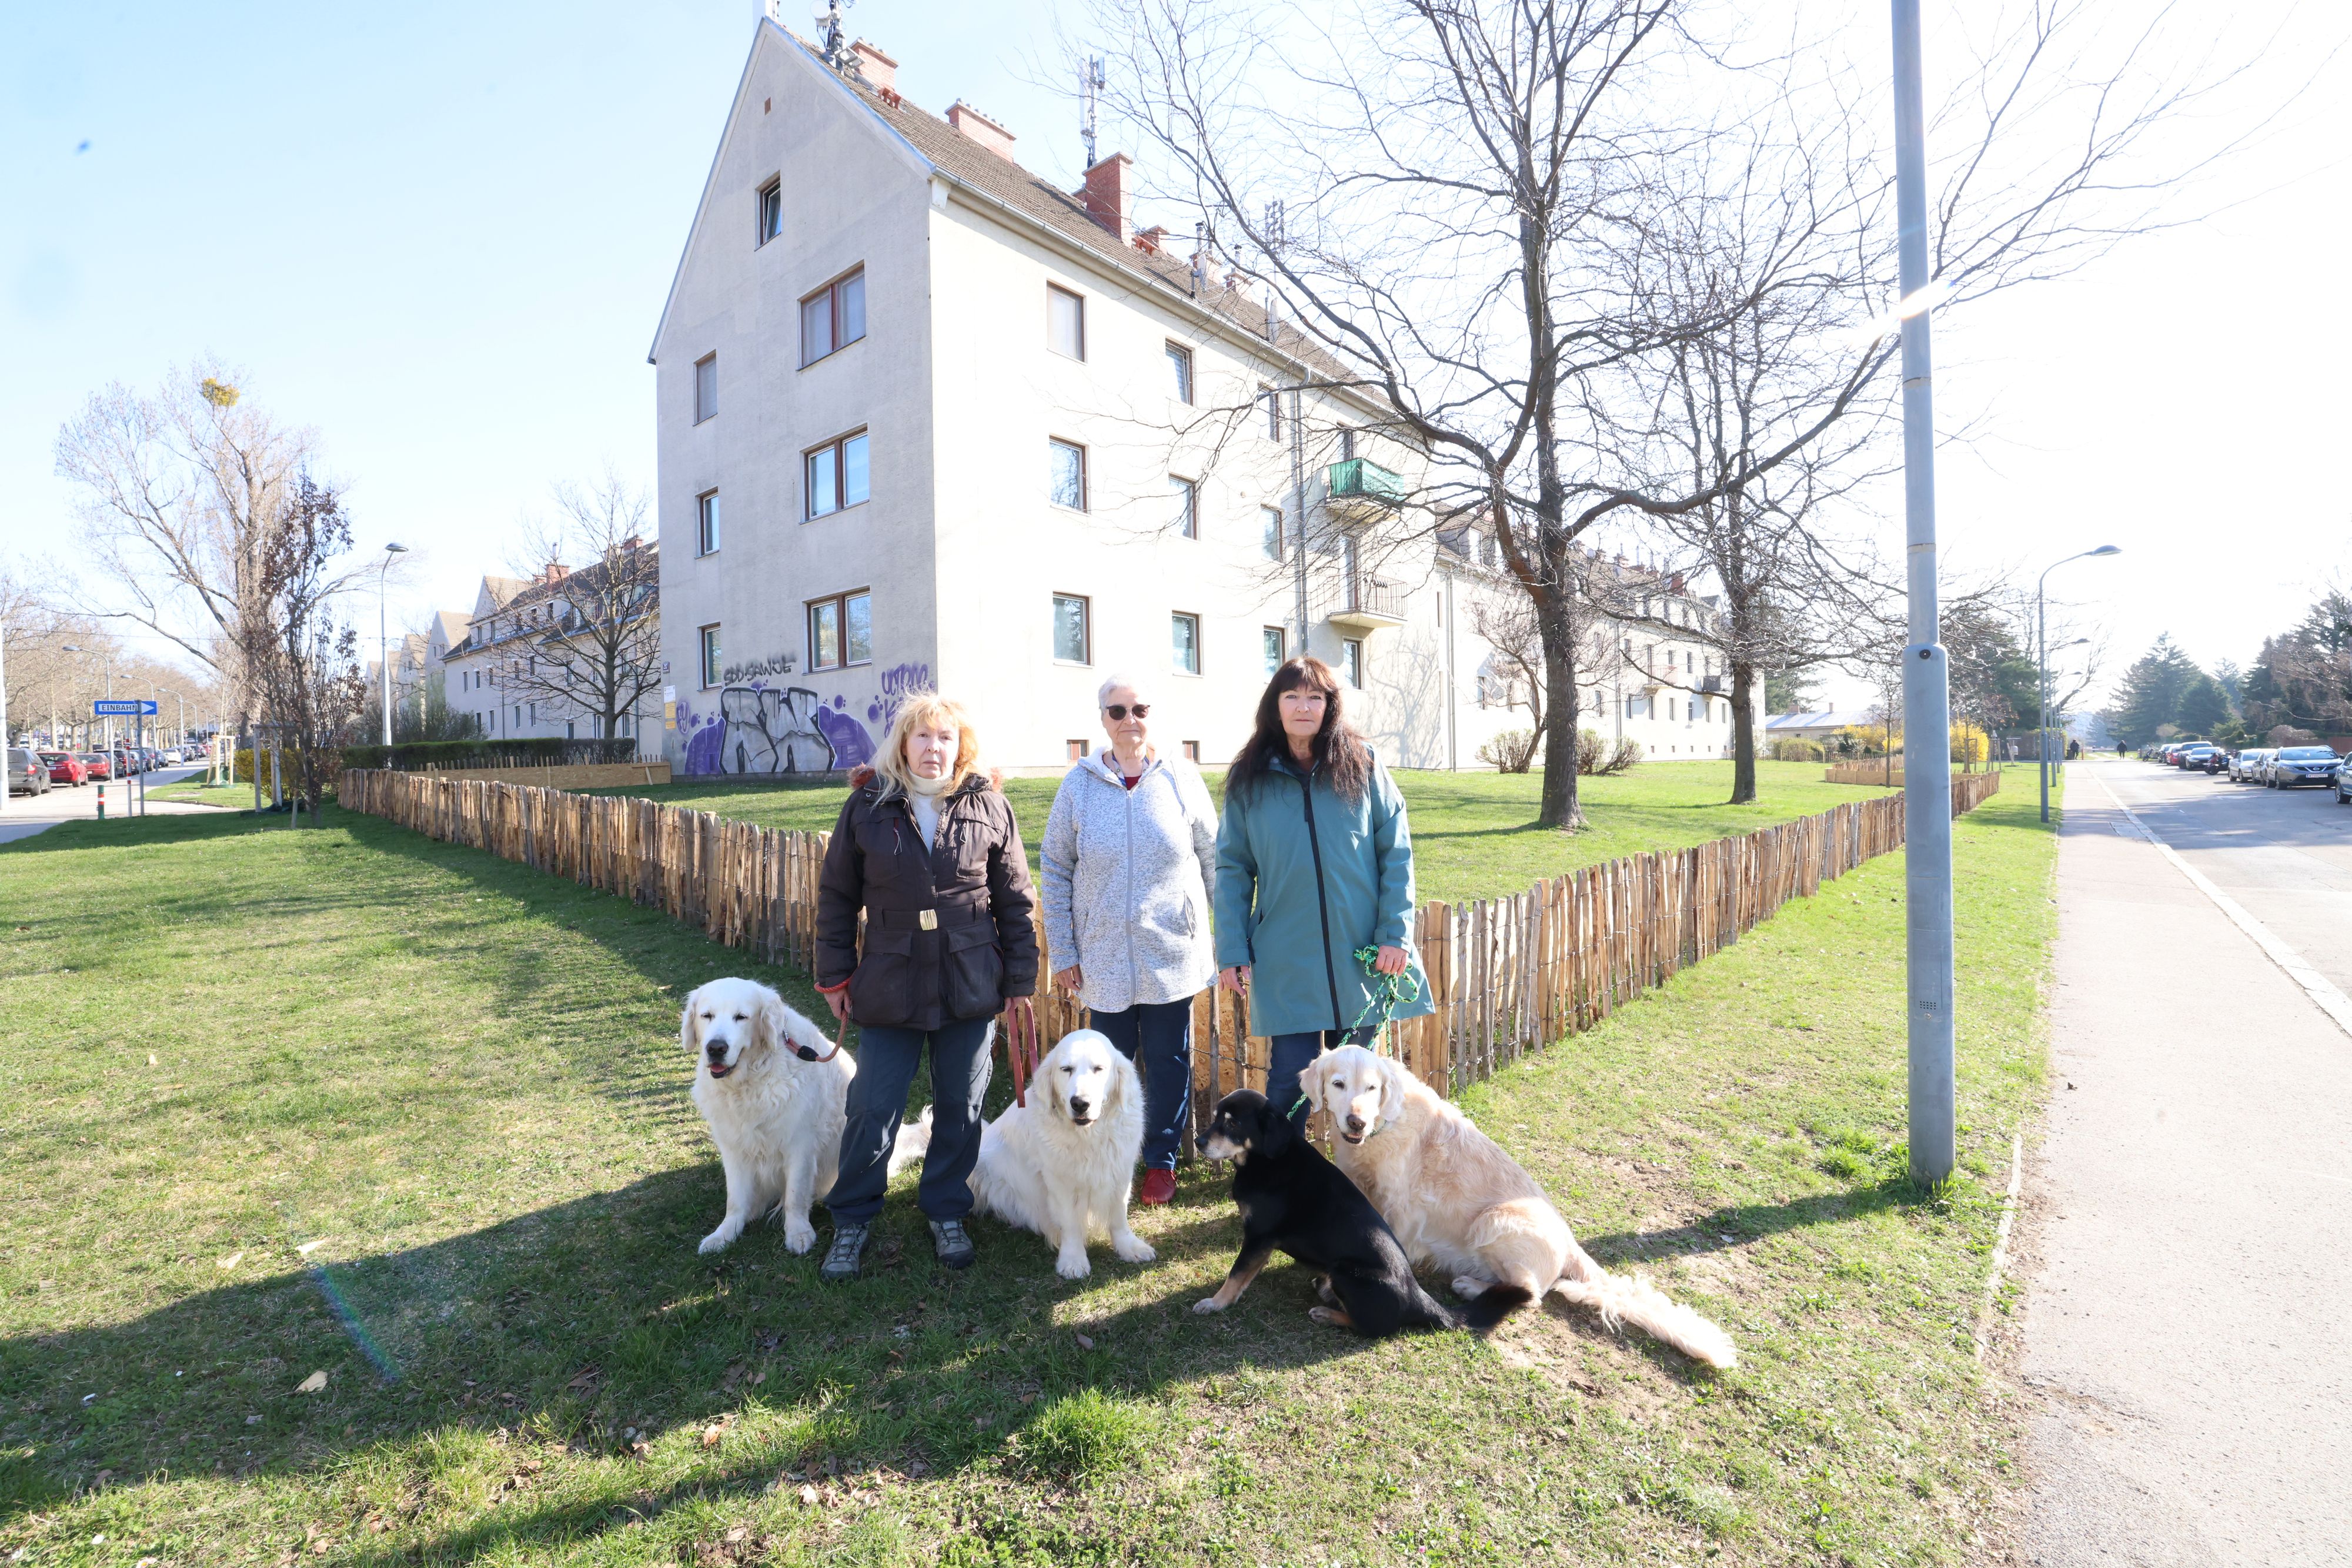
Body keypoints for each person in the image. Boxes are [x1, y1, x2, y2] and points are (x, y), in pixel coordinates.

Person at [813, 694, 1038, 1281]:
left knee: (961, 1107)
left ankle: (945, 1209)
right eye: (923, 737)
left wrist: (1018, 980)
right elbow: (837, 897)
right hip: (889, 979)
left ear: (959, 747)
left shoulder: (989, 804)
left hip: (969, 979)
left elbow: (1015, 900)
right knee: (872, 1106)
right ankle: (854, 1217)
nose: (935, 748)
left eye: (946, 738)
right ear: (903, 744)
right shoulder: (868, 804)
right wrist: (835, 975)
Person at [1214, 657, 1431, 1129]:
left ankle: (1359, 1187)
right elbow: (1232, 867)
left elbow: (1396, 852)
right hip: (1286, 955)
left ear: (1331, 705)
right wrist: (1231, 948)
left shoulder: (1364, 765)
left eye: (1315, 696)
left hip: (1361, 955)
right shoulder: (1249, 779)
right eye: (1291, 696)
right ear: (1275, 705)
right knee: (1289, 1082)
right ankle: (1281, 1190)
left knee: (1361, 1083)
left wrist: (1394, 934)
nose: (1303, 706)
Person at [1041, 675, 1219, 1205]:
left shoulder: (1183, 779)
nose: (1129, 719)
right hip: (1103, 956)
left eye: (1139, 708)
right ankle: (1107, 1153)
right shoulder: (1079, 784)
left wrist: (1229, 940)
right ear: (1102, 719)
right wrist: (1066, 951)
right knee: (1104, 1064)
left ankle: (1160, 1160)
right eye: (1117, 710)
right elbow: (1054, 866)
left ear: (1153, 714)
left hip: (1172, 954)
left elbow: (1215, 860)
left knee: (1169, 1061)